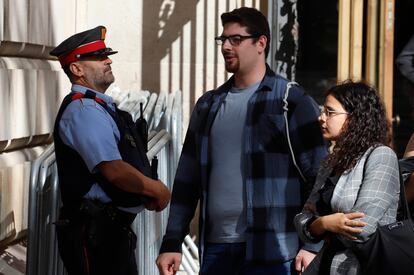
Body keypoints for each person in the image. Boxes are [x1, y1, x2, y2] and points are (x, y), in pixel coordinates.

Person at [156, 7, 327, 275]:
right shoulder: (209, 105)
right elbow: (187, 181)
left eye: (235, 39)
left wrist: (312, 242)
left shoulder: (290, 100)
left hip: (274, 250)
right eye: (223, 39)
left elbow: (319, 177)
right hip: (216, 249)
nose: (225, 46)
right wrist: (172, 241)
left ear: (261, 43)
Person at [50, 26, 171, 275]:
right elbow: (114, 170)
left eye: (106, 54)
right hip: (95, 233)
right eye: (98, 56)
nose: (108, 60)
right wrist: (156, 189)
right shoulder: (84, 110)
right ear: (76, 69)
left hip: (109, 233)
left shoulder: (97, 107)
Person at [294, 81, 400, 274]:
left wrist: (318, 227)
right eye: (322, 111)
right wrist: (325, 223)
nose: (321, 118)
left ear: (355, 117)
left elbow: (362, 228)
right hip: (325, 264)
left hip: (358, 267)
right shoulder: (331, 162)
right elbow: (302, 220)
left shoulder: (381, 156)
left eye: (330, 112)